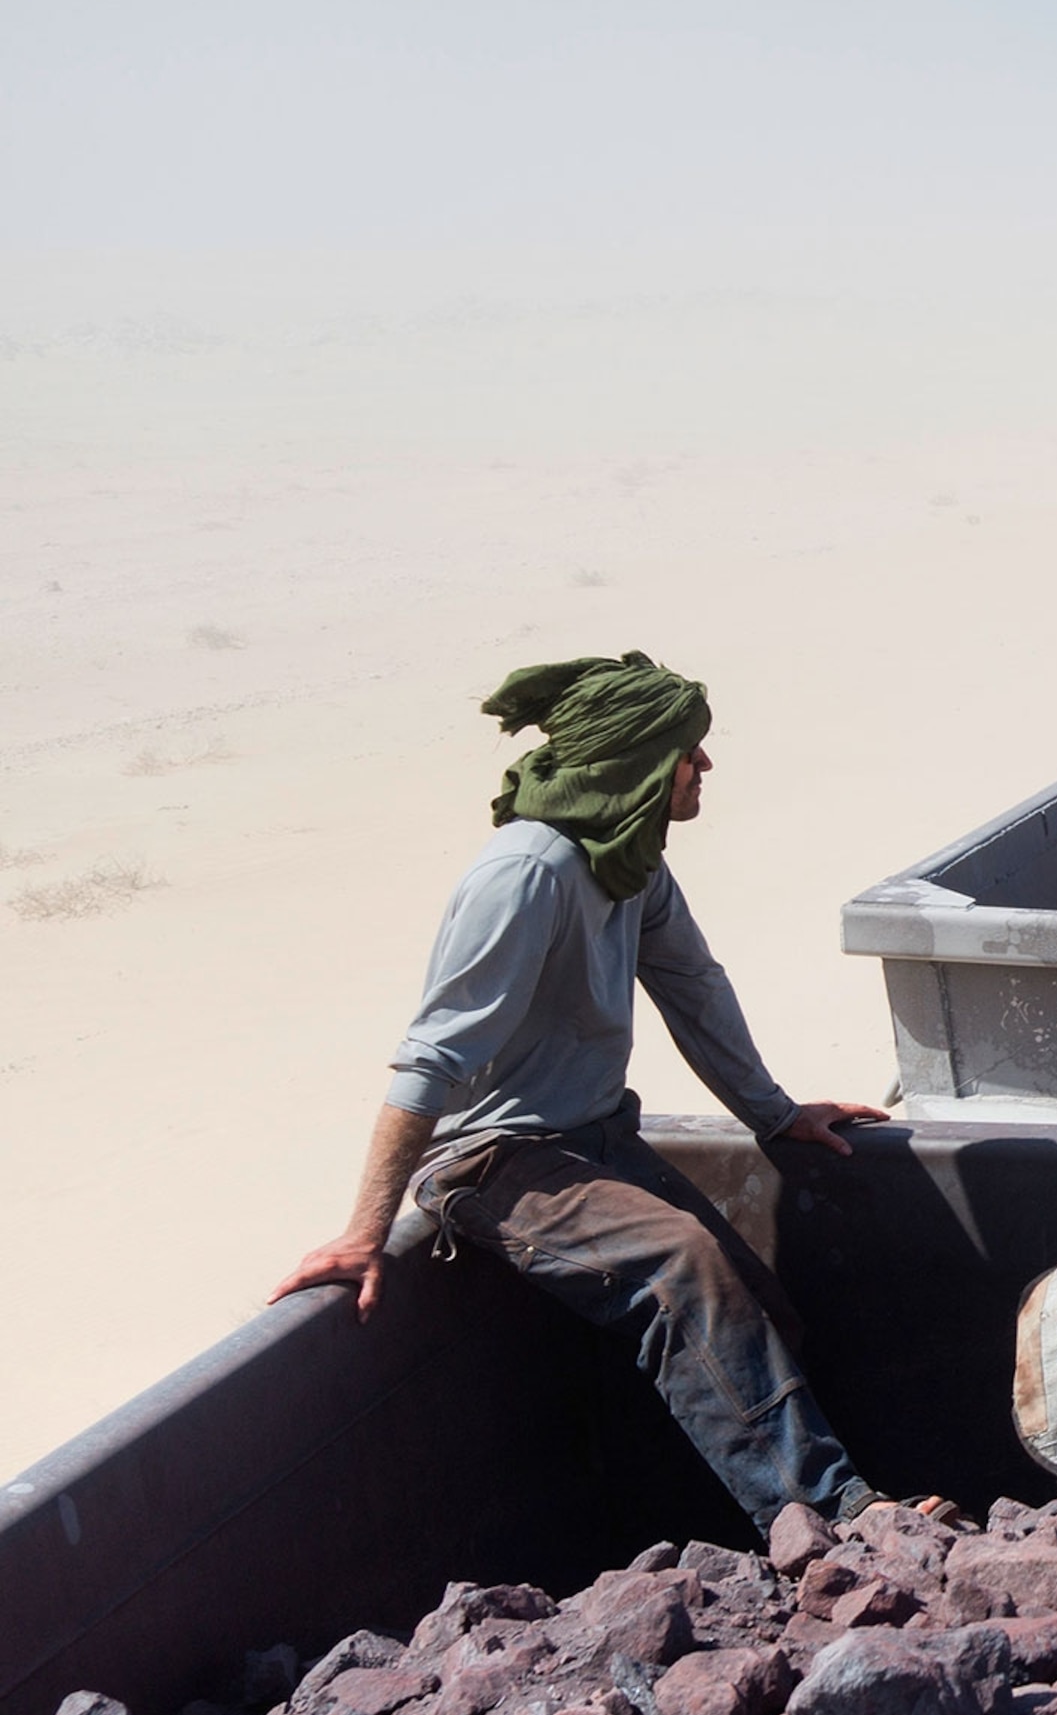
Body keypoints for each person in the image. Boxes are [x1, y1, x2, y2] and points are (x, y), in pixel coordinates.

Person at [271, 651, 918, 1533]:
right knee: (681, 1265)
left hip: (594, 1134)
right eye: (693, 752)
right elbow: (430, 1057)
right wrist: (364, 1233)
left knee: (761, 1306)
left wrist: (775, 1113)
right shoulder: (526, 875)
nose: (707, 769)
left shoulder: (627, 859)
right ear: (643, 761)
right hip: (496, 1158)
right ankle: (830, 1523)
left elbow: (694, 986)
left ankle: (724, 1522)